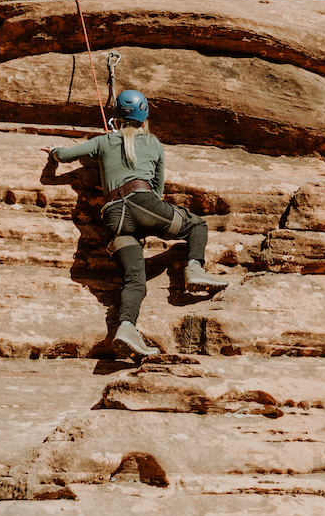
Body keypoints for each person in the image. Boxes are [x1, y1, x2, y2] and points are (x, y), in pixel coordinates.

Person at [48, 89, 228, 359]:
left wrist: (52, 151)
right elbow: (158, 189)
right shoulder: (153, 142)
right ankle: (194, 269)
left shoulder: (104, 141)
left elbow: (64, 155)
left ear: (117, 118)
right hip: (144, 204)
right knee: (196, 225)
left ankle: (127, 327)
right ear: (144, 116)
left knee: (135, 278)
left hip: (113, 217)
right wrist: (150, 220)